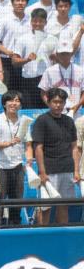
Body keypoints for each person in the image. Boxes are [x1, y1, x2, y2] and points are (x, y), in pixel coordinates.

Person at [32, 87, 80, 225]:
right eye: (55, 102)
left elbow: (74, 147)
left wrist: (76, 170)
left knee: (63, 206)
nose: (58, 105)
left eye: (61, 102)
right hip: (49, 171)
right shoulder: (42, 120)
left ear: (65, 103)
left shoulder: (69, 121)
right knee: (45, 207)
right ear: (48, 102)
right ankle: (42, 235)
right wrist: (42, 172)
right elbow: (38, 148)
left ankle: (62, 235)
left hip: (67, 169)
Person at [0, 91, 34, 226]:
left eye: (17, 101)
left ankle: (16, 228)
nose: (14, 103)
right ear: (4, 104)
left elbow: (28, 145)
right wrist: (9, 143)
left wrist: (29, 159)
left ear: (21, 105)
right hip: (0, 166)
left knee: (17, 202)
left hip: (18, 166)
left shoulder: (24, 121)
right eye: (11, 100)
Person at [12, 8, 49, 109]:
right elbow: (14, 61)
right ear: (31, 21)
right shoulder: (23, 39)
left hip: (46, 80)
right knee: (30, 111)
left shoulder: (51, 38)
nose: (37, 24)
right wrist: (27, 60)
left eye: (40, 21)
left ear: (45, 22)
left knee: (47, 110)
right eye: (35, 21)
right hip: (29, 81)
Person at [0, 0, 31, 95]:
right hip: (7, 62)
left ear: (27, 3)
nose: (20, 3)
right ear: (12, 2)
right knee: (9, 94)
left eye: (23, 0)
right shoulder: (4, 20)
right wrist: (8, 52)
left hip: (25, 62)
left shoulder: (31, 20)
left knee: (24, 93)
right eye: (17, 0)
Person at [39, 39, 84, 113]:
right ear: (57, 54)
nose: (65, 56)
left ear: (71, 53)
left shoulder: (81, 71)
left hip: (76, 111)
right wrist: (51, 106)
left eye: (67, 53)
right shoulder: (49, 71)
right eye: (62, 54)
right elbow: (43, 92)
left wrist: (78, 105)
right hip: (56, 113)